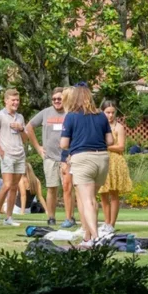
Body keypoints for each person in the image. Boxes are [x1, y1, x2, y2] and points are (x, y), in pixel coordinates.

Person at [60, 83, 113, 247]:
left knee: (87, 200)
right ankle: (87, 238)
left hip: (83, 159)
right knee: (90, 200)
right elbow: (110, 140)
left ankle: (96, 238)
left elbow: (63, 144)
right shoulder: (101, 115)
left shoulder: (71, 116)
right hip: (102, 159)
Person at [26, 87, 73, 227]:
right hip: (50, 157)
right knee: (52, 188)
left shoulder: (69, 113)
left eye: (59, 98)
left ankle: (69, 217)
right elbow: (29, 127)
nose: (56, 101)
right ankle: (51, 217)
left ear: (64, 98)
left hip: (67, 157)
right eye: (54, 99)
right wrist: (38, 147)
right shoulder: (46, 112)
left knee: (68, 188)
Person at [0, 88, 29, 226]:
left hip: (20, 154)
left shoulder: (20, 117)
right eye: (13, 100)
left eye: (17, 100)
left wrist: (21, 128)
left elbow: (25, 139)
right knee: (6, 185)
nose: (16, 102)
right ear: (6, 100)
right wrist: (0, 151)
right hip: (7, 155)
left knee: (14, 187)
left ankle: (9, 217)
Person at [98, 101, 132, 235]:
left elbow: (121, 147)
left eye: (112, 112)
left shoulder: (119, 127)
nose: (110, 115)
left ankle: (112, 224)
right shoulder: (99, 126)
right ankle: (106, 222)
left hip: (115, 162)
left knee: (114, 194)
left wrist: (104, 146)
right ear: (102, 112)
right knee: (103, 193)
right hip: (102, 160)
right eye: (107, 112)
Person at [57, 87, 79, 228]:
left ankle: (79, 215)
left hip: (77, 152)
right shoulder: (66, 115)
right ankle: (68, 217)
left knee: (77, 186)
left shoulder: (76, 114)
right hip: (65, 153)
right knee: (66, 185)